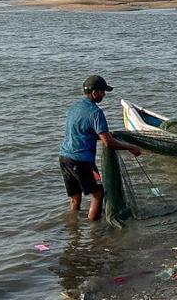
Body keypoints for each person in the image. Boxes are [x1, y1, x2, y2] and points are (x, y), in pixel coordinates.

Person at [59, 75, 141, 220]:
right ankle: (94, 231)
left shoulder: (74, 107)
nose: (104, 95)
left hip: (64, 158)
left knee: (75, 197)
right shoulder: (96, 112)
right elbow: (108, 142)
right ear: (94, 92)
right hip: (81, 160)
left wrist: (107, 136)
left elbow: (84, 131)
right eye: (103, 92)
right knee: (98, 194)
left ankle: (73, 230)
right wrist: (130, 147)